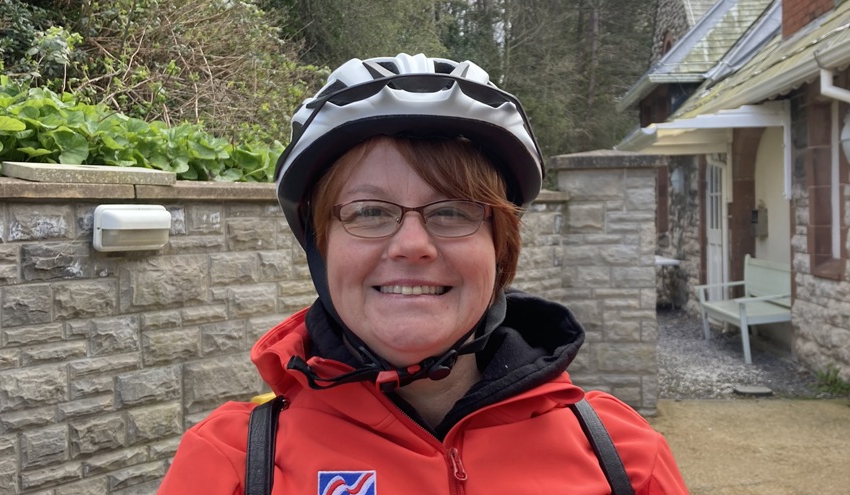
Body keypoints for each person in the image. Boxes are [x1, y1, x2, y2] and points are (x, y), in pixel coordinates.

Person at [157, 53, 689, 494]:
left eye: (454, 211)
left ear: (499, 251)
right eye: (368, 211)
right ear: (321, 249)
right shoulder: (231, 464)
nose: (413, 245)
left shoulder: (619, 456)